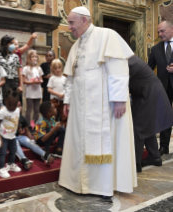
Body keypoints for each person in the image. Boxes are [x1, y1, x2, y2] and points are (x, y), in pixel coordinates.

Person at [59, 6, 137, 197]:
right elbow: (70, 77)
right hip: (80, 107)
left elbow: (118, 69)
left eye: (71, 22)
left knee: (106, 141)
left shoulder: (107, 36)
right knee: (79, 142)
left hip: (105, 105)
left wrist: (119, 99)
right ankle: (78, 182)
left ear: (84, 20)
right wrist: (67, 101)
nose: (69, 27)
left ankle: (102, 185)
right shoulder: (76, 45)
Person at [129, 56, 173, 172]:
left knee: (138, 126)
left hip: (148, 93)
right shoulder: (129, 59)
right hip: (146, 92)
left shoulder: (126, 62)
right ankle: (154, 156)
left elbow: (121, 83)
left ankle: (135, 164)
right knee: (146, 125)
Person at [148, 20, 173, 155]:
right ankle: (163, 147)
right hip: (164, 88)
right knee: (165, 117)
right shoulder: (155, 49)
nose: (160, 34)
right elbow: (148, 69)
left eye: (162, 31)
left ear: (172, 29)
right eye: (158, 32)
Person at [15, 101, 55, 170]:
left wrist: (31, 139)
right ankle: (24, 160)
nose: (20, 108)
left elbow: (27, 130)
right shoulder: (9, 117)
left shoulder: (22, 117)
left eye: (20, 106)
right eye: (17, 106)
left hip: (21, 136)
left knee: (30, 143)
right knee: (16, 145)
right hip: (12, 138)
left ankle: (45, 155)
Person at [0, 88, 21, 178]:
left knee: (13, 151)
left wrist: (20, 128)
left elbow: (17, 120)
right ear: (5, 101)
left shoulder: (17, 110)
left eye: (14, 104)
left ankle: (10, 164)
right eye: (9, 104)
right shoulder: (2, 111)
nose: (12, 107)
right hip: (3, 136)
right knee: (3, 153)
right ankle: (1, 168)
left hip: (12, 136)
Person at [22, 50, 43, 125]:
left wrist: (39, 81)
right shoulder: (26, 68)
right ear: (29, 58)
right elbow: (24, 81)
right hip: (30, 91)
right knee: (29, 109)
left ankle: (36, 125)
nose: (34, 58)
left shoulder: (39, 68)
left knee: (36, 109)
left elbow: (41, 79)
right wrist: (32, 82)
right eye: (33, 57)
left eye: (35, 57)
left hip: (37, 90)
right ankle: (27, 125)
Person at [47, 59, 68, 127]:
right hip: (54, 100)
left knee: (64, 116)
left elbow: (67, 88)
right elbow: (49, 89)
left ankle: (64, 131)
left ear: (62, 67)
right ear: (52, 69)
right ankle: (52, 130)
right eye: (55, 68)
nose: (58, 70)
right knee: (53, 116)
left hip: (63, 100)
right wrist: (58, 94)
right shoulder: (52, 78)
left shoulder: (65, 78)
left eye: (59, 68)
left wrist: (65, 95)